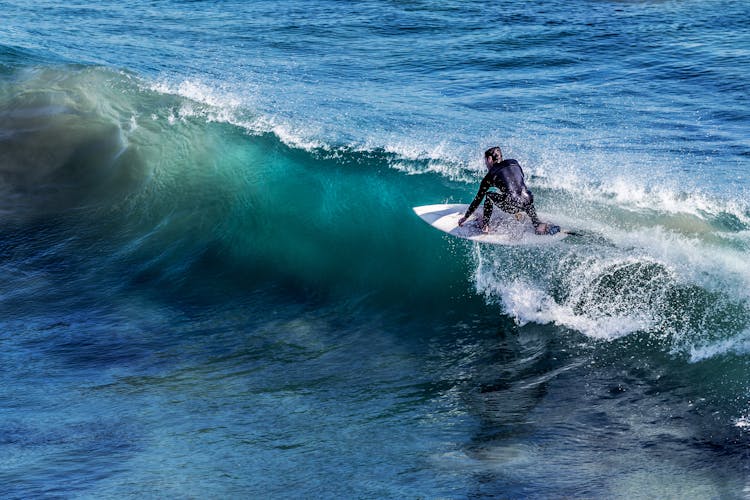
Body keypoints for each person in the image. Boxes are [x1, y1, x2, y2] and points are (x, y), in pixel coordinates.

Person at [458, 147, 557, 235]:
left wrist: (465, 217)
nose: (485, 164)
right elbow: (517, 183)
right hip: (528, 201)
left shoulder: (490, 175)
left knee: (489, 195)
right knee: (520, 192)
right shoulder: (514, 163)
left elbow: (478, 199)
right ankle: (537, 223)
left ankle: (485, 225)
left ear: (489, 159)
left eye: (485, 161)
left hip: (512, 205)